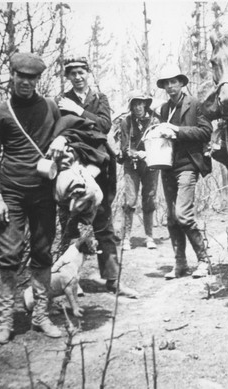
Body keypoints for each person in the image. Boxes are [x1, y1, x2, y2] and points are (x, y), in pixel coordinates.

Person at [0, 52, 62, 344]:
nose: (26, 83)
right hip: (11, 194)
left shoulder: (50, 107)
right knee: (8, 255)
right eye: (22, 77)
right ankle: (4, 321)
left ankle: (41, 316)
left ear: (38, 80)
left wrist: (62, 139)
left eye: (33, 78)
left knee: (42, 252)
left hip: (44, 192)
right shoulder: (0, 112)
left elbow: (68, 134)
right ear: (12, 76)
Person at [57, 57, 137, 298]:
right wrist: (78, 122)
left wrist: (78, 113)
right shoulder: (62, 99)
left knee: (103, 221)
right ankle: (67, 280)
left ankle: (113, 280)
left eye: (81, 72)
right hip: (74, 160)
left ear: (88, 73)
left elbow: (103, 125)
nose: (78, 77)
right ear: (68, 77)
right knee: (69, 222)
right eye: (73, 74)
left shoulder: (99, 98)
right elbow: (63, 128)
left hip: (100, 162)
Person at [155, 65, 213, 279]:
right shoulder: (163, 109)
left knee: (183, 214)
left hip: (188, 165)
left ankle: (204, 261)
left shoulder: (195, 104)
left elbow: (206, 131)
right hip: (167, 166)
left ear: (181, 83)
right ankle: (180, 263)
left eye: (174, 82)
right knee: (171, 218)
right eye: (166, 83)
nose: (170, 87)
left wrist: (177, 131)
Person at [119, 91, 161, 250]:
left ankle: (149, 237)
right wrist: (132, 153)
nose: (137, 107)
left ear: (145, 104)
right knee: (130, 201)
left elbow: (159, 145)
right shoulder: (126, 122)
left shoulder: (154, 121)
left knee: (149, 199)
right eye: (134, 104)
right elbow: (123, 147)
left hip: (150, 166)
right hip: (132, 166)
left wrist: (147, 154)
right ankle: (126, 238)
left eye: (140, 103)